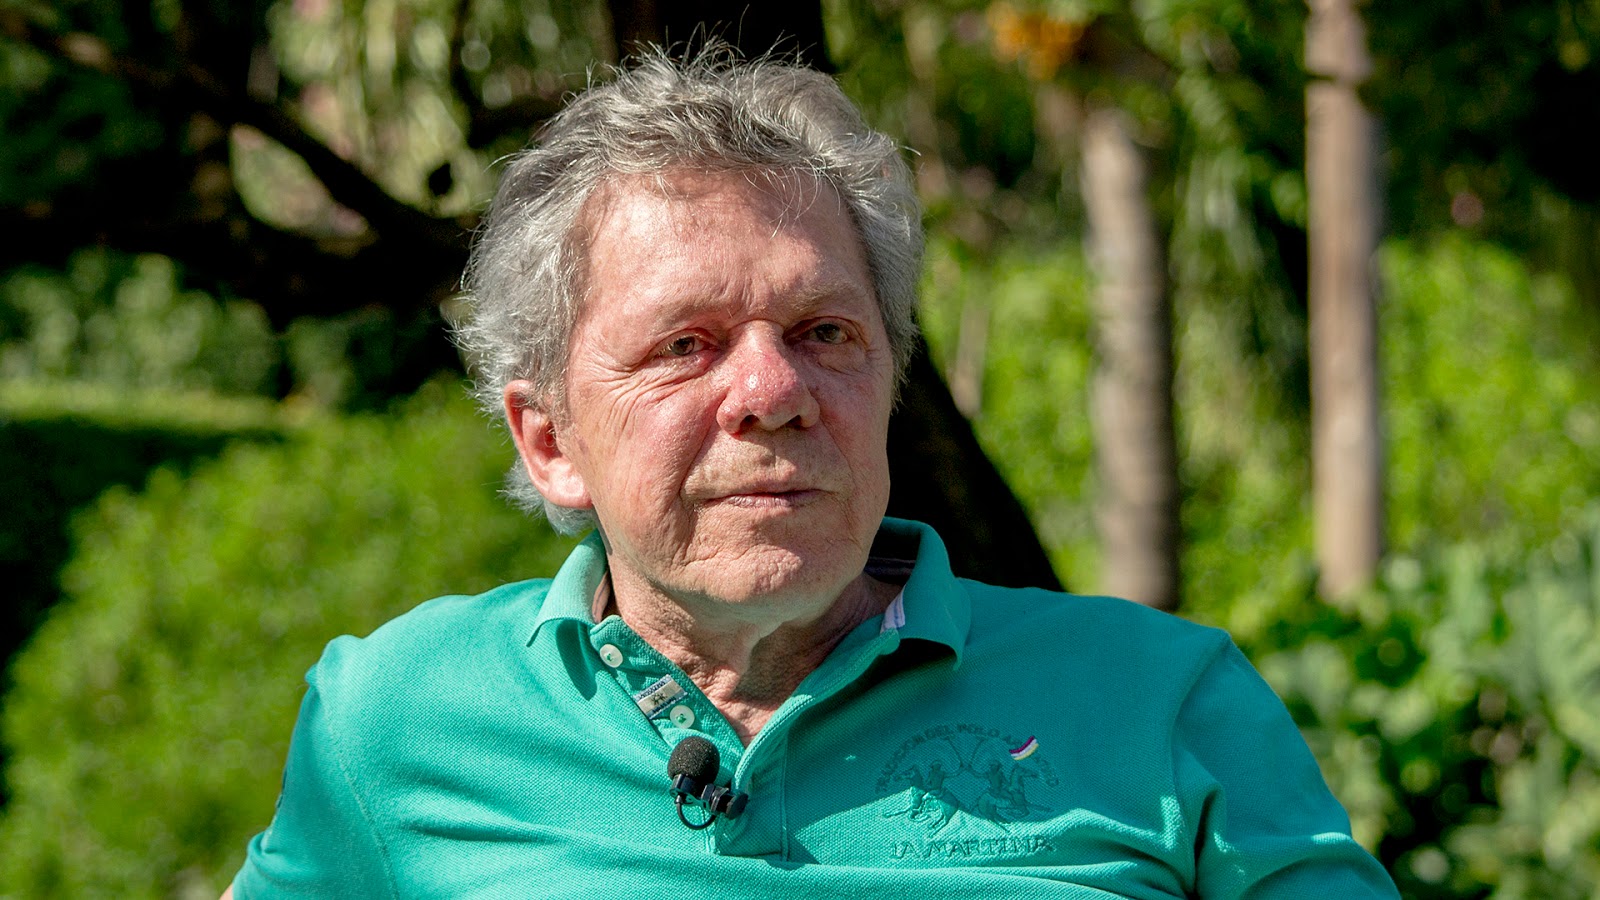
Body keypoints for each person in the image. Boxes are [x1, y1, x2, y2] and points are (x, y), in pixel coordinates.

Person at [228, 47, 1398, 898]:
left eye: (823, 332)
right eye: (684, 345)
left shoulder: (1161, 701)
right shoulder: (397, 718)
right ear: (549, 442)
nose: (773, 390)